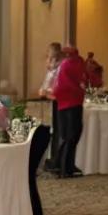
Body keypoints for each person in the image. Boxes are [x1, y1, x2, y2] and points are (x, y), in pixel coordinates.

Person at [54, 44, 87, 177]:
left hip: (65, 103)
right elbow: (78, 80)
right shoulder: (72, 63)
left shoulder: (66, 64)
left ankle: (64, 166)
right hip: (71, 102)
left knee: (68, 136)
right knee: (72, 136)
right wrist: (80, 90)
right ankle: (64, 168)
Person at [39, 41, 62, 172]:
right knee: (50, 131)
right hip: (48, 101)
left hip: (55, 100)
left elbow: (56, 86)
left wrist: (46, 92)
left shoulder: (60, 68)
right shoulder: (51, 68)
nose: (48, 58)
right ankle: (50, 159)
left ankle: (54, 159)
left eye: (50, 55)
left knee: (56, 131)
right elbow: (46, 82)